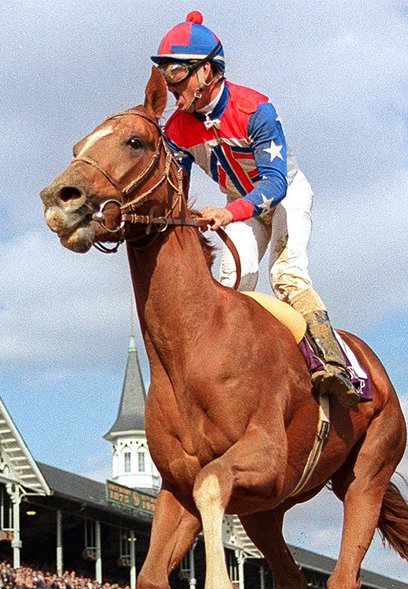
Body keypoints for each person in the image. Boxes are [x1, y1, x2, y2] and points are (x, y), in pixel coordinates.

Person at [151, 11, 368, 407]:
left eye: (178, 73)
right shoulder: (178, 128)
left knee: (286, 277)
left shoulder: (256, 110)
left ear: (207, 73)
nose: (170, 85)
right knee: (234, 278)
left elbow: (275, 183)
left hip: (284, 194)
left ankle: (333, 363)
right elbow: (175, 191)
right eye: (166, 75)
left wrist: (228, 213)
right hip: (241, 204)